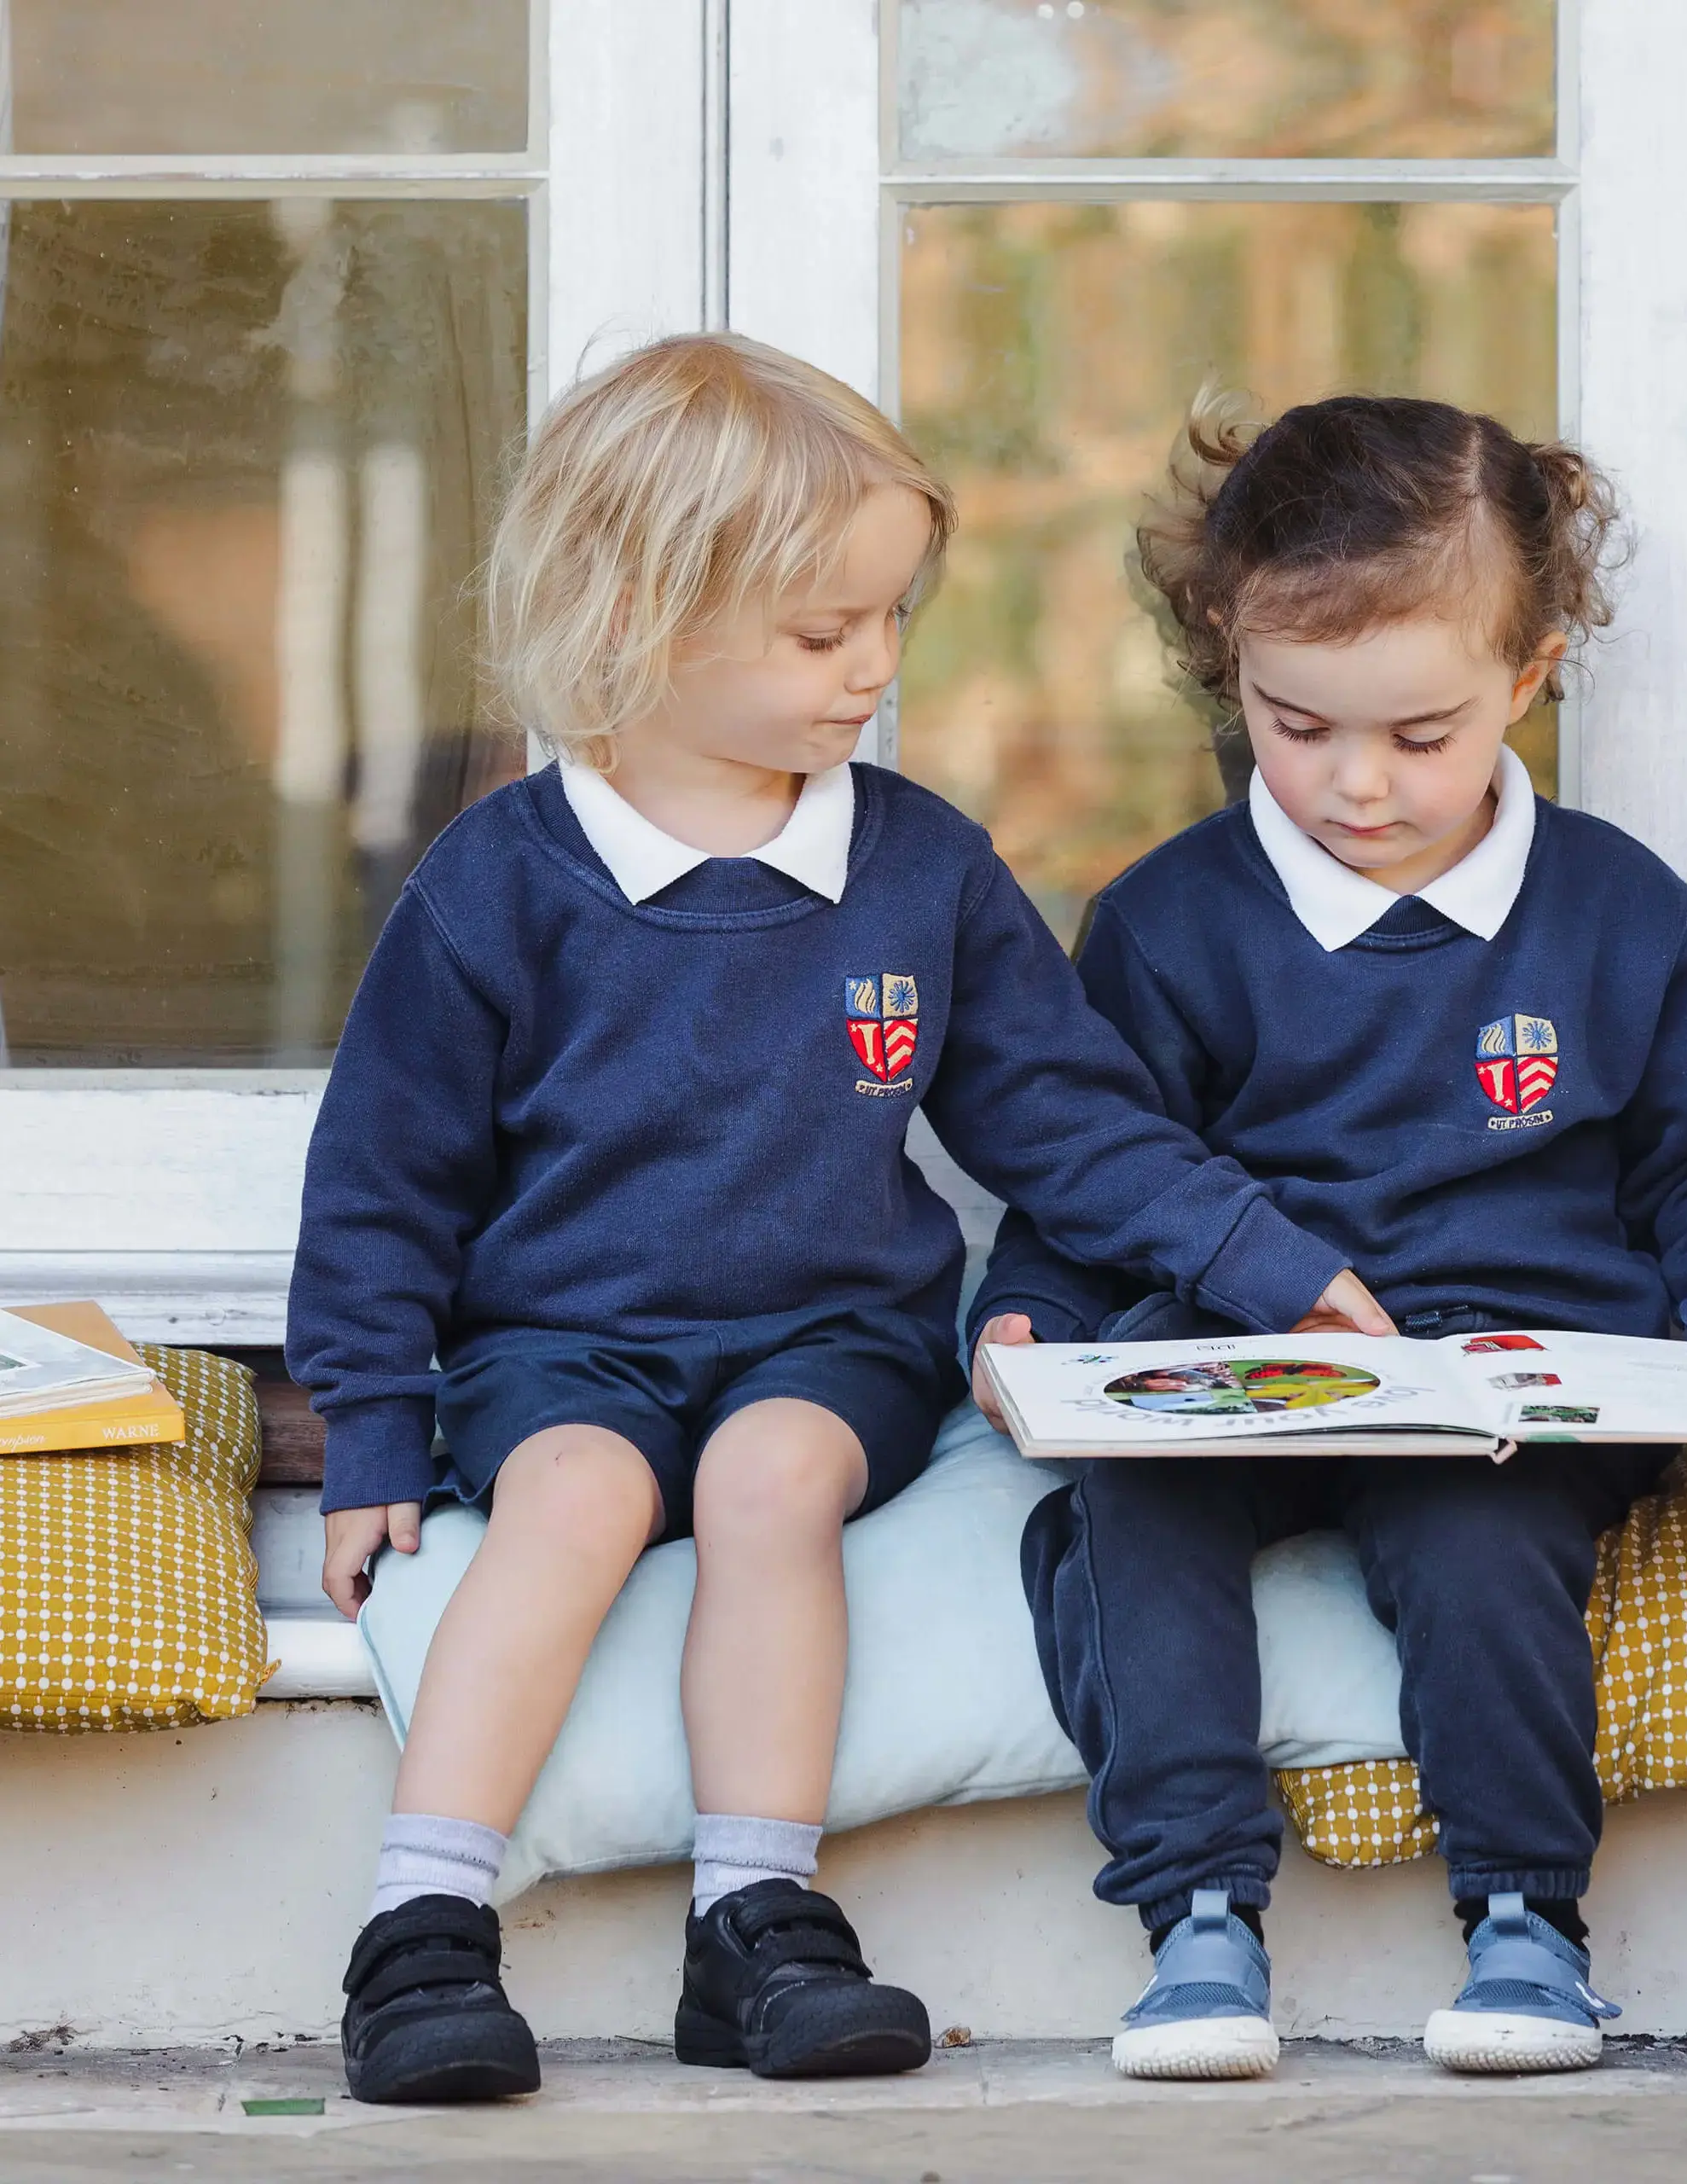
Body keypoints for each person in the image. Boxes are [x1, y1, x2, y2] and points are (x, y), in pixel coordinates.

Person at [287, 334, 1374, 2105]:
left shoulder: (917, 864)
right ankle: (420, 1925)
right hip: (559, 1341)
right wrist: (369, 1432)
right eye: (819, 634)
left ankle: (759, 1919)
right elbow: (382, 1182)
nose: (870, 669)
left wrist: (1274, 1262)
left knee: (770, 1482)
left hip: (830, 1340)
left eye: (887, 622)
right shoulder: (500, 879)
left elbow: (1066, 1119)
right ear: (640, 612)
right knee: (569, 1494)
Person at [968, 391, 1687, 2084]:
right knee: (1126, 1510)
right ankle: (1197, 1912)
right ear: (1231, 658)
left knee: (1471, 1534)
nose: (1357, 784)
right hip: (1248, 1367)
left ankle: (1526, 1920)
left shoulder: (1618, 909)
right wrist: (1025, 1319)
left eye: (1418, 735)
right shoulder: (1168, 917)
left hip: (1515, 1379)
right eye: (1298, 727)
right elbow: (1095, 1159)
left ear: (1527, 673)